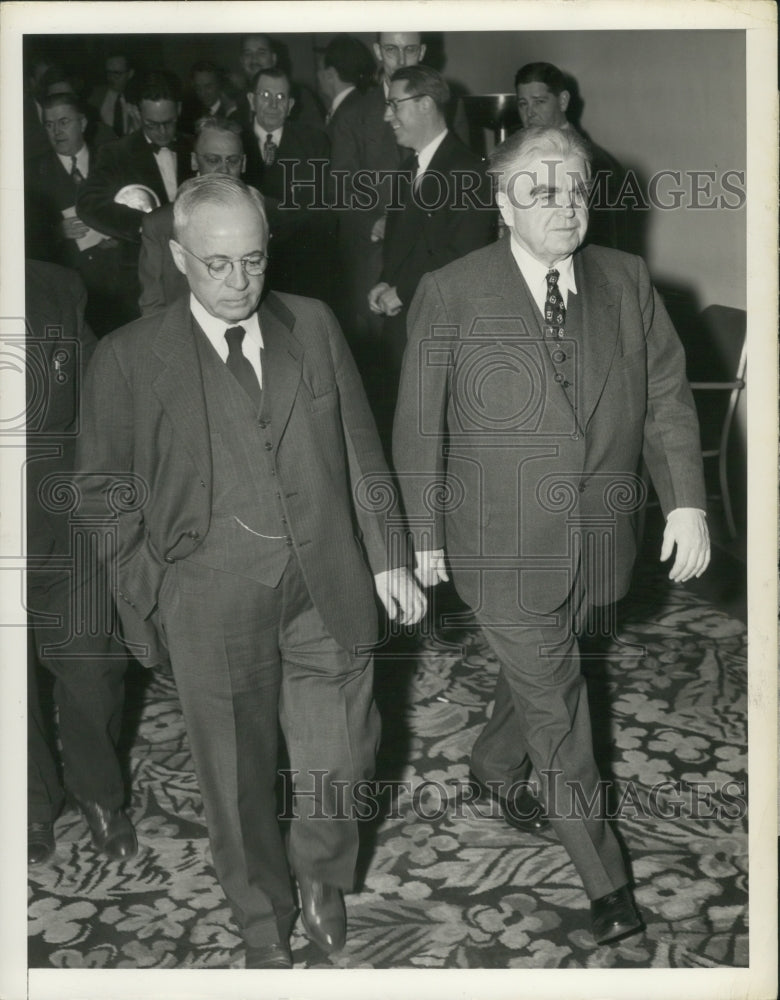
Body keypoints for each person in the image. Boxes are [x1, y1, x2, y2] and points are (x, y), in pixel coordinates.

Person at [75, 174, 426, 968]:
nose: (238, 283)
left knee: (344, 757)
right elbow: (101, 493)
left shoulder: (315, 322)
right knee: (235, 782)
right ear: (177, 256)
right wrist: (152, 596)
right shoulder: (129, 358)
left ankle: (321, 872)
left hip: (326, 579)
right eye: (217, 265)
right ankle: (263, 920)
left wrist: (389, 554)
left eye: (254, 261)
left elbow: (360, 448)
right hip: (206, 597)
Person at [393, 126, 710, 946]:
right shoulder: (452, 291)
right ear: (504, 204)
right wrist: (421, 532)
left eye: (574, 190)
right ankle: (605, 879)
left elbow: (667, 394)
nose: (563, 207)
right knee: (561, 710)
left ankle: (495, 766)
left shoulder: (627, 279)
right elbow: (417, 425)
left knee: (541, 674)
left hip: (600, 541)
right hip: (498, 543)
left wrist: (685, 503)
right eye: (540, 192)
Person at [26, 260, 134, 866]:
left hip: (65, 517)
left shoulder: (54, 287)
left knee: (95, 666)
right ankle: (32, 804)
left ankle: (100, 795)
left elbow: (101, 394)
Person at [367, 65, 495, 444]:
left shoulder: (469, 171)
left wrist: (401, 290)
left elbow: (462, 255)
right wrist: (384, 283)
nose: (387, 115)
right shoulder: (410, 168)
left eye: (394, 105)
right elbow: (406, 245)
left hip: (440, 335)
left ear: (424, 104)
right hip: (402, 329)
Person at [25, 93, 137, 335]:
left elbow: (140, 213)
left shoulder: (114, 160)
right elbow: (23, 240)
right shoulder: (31, 174)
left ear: (83, 124)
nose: (56, 131)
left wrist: (120, 235)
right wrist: (57, 231)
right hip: (69, 291)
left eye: (64, 122)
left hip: (121, 287)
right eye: (49, 124)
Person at [514, 62, 630, 251]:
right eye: (523, 104)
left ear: (563, 101)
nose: (530, 113)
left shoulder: (596, 163)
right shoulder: (520, 157)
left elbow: (605, 245)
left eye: (539, 102)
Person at [138, 115, 246, 315]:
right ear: (195, 161)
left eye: (233, 161)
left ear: (244, 163)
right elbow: (152, 310)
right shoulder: (159, 225)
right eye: (213, 160)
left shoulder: (265, 216)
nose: (224, 170)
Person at [242, 66, 332, 302]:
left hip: (298, 265)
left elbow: (319, 211)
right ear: (251, 100)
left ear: (291, 105)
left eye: (280, 97)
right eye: (265, 96)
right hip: (244, 265)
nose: (273, 105)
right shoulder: (234, 141)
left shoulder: (314, 143)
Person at [89, 53, 141, 137]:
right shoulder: (95, 96)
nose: (111, 77)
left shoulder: (137, 98)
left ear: (130, 73)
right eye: (108, 72)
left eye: (117, 73)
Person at [179, 60, 238, 134]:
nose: (202, 93)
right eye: (198, 88)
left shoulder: (233, 113)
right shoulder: (189, 113)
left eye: (208, 87)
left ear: (219, 84)